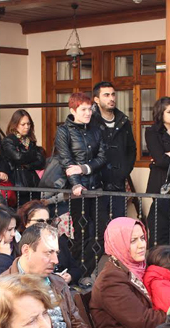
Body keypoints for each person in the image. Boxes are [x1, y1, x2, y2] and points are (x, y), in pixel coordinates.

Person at [89, 217, 165, 328]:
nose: (141, 245)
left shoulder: (137, 268)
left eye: (142, 238)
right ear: (118, 243)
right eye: (133, 241)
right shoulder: (110, 281)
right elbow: (143, 321)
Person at [55, 92, 108, 269]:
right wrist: (76, 183)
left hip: (97, 188)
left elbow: (103, 157)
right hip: (77, 191)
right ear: (73, 110)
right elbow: (66, 161)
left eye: (89, 109)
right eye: (83, 109)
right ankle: (75, 272)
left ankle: (85, 271)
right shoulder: (64, 131)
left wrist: (84, 168)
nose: (88, 113)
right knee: (82, 234)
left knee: (102, 233)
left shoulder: (96, 129)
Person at [91, 81, 136, 217]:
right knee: (98, 224)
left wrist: (124, 170)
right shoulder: (90, 121)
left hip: (118, 183)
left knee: (119, 223)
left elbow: (131, 149)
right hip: (96, 184)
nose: (111, 98)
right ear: (96, 99)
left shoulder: (123, 121)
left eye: (113, 94)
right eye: (106, 95)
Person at [17, 199, 81, 285]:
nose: (45, 225)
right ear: (26, 223)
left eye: (48, 221)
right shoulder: (17, 246)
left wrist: (69, 276)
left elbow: (76, 269)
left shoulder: (58, 241)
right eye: (40, 221)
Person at [0, 110, 46, 206]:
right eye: (23, 124)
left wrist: (27, 165)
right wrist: (33, 154)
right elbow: (18, 157)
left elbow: (41, 162)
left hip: (33, 183)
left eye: (28, 124)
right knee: (21, 211)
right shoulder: (9, 140)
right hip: (18, 183)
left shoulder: (30, 140)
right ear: (15, 124)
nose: (27, 127)